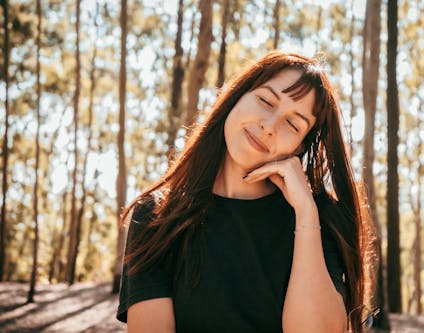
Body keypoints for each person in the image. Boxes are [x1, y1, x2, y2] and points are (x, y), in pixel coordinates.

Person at [116, 51, 374, 333]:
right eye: (265, 101)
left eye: (292, 124)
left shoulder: (320, 218)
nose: (269, 126)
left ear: (300, 147)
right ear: (235, 97)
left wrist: (306, 214)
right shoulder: (156, 216)